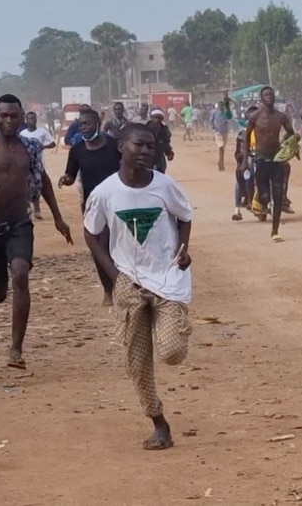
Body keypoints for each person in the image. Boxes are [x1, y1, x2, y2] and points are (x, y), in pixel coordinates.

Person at [83, 123, 194, 451]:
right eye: (139, 145)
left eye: (151, 147)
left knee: (172, 351)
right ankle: (159, 424)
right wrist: (113, 274)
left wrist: (183, 248)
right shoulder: (105, 192)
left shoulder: (165, 186)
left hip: (167, 277)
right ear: (121, 147)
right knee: (137, 361)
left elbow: (185, 216)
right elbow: (91, 233)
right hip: (128, 282)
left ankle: (176, 327)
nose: (146, 152)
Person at [0, 94, 72, 369]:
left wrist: (59, 219)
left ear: (22, 116)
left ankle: (16, 350)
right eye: (4, 115)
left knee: (21, 274)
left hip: (20, 225)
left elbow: (44, 181)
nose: (9, 120)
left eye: (14, 115)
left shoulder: (31, 148)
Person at [58, 108, 122, 304]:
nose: (83, 128)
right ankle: (108, 290)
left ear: (97, 124)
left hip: (119, 203)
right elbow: (71, 174)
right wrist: (65, 179)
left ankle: (126, 286)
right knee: (98, 249)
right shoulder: (78, 150)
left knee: (119, 247)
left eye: (86, 124)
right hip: (93, 206)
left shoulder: (114, 145)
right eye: (80, 125)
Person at [244, 87, 297, 242]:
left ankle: (275, 231)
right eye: (266, 95)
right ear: (261, 99)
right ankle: (260, 201)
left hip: (277, 159)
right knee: (264, 195)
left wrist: (290, 146)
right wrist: (244, 160)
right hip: (261, 159)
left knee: (278, 195)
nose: (269, 97)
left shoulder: (281, 117)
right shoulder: (255, 116)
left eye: (271, 94)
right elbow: (247, 137)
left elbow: (290, 133)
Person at [17, 111, 57, 220]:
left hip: (38, 164)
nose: (32, 121)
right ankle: (27, 208)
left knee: (38, 187)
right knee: (26, 187)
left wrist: (43, 147)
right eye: (30, 119)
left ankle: (37, 209)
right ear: (26, 120)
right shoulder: (22, 133)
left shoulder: (42, 132)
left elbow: (53, 143)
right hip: (25, 165)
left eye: (34, 118)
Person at [232, 105, 260, 221]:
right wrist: (241, 158)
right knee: (244, 175)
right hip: (248, 160)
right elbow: (238, 152)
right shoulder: (242, 134)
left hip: (262, 157)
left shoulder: (264, 131)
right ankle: (239, 208)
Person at [211, 102, 235, 172]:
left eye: (222, 106)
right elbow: (211, 120)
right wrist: (213, 128)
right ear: (218, 106)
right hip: (217, 132)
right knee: (221, 146)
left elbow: (231, 120)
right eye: (220, 106)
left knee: (223, 147)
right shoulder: (215, 112)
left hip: (225, 131)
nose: (221, 107)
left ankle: (220, 161)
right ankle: (221, 163)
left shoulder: (226, 113)